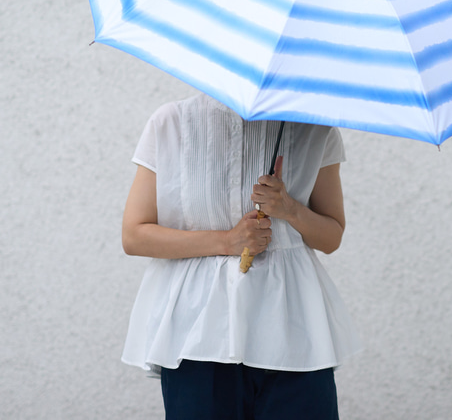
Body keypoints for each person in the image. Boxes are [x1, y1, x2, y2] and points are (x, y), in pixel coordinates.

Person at [121, 93, 361, 419]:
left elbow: (332, 235)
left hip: (294, 328)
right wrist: (228, 241)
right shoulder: (171, 123)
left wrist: (289, 209)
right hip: (198, 331)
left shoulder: (315, 130)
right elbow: (135, 235)